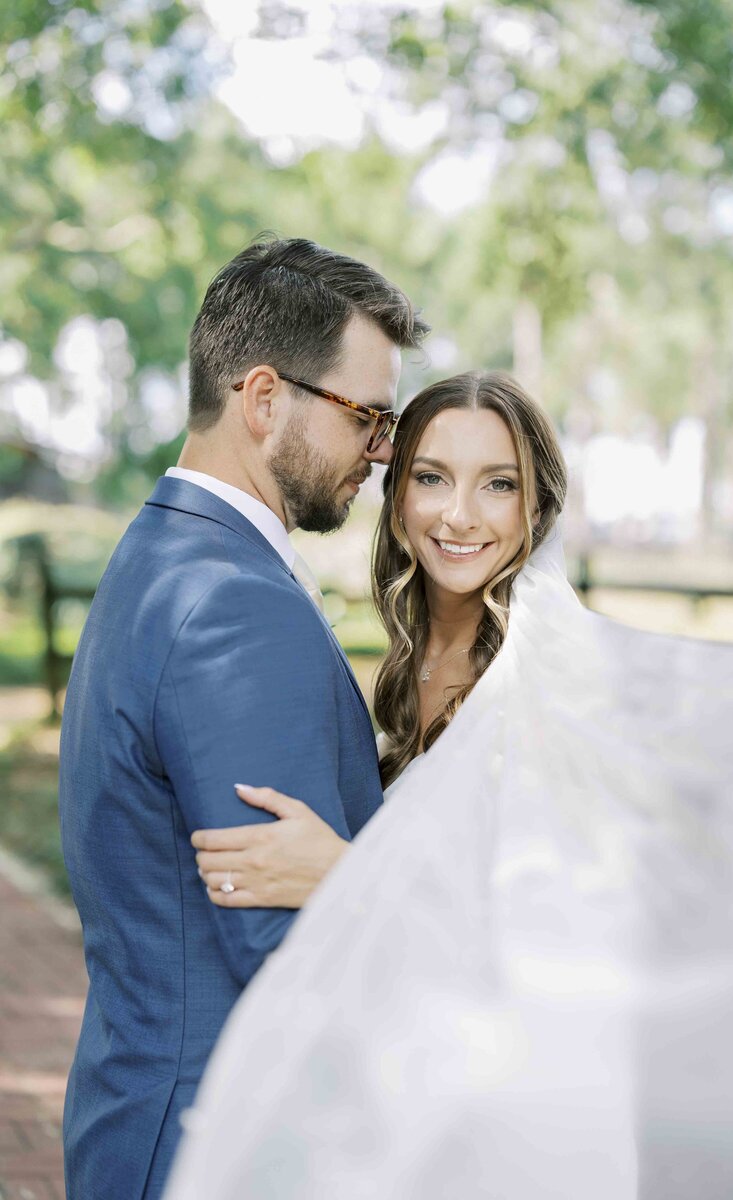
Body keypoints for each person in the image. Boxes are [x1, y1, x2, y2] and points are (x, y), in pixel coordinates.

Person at [165, 371, 733, 1199]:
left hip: (521, 1127)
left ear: (536, 508)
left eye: (497, 485)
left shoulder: (559, 684)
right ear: (396, 501)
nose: (458, 515)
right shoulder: (403, 674)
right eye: (431, 478)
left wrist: (345, 877)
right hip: (418, 1095)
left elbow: (564, 940)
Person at [58, 236, 428, 1199]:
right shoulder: (232, 601)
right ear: (264, 400)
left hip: (151, 1115)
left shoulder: (161, 553)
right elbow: (290, 945)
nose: (385, 452)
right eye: (367, 418)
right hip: (222, 1145)